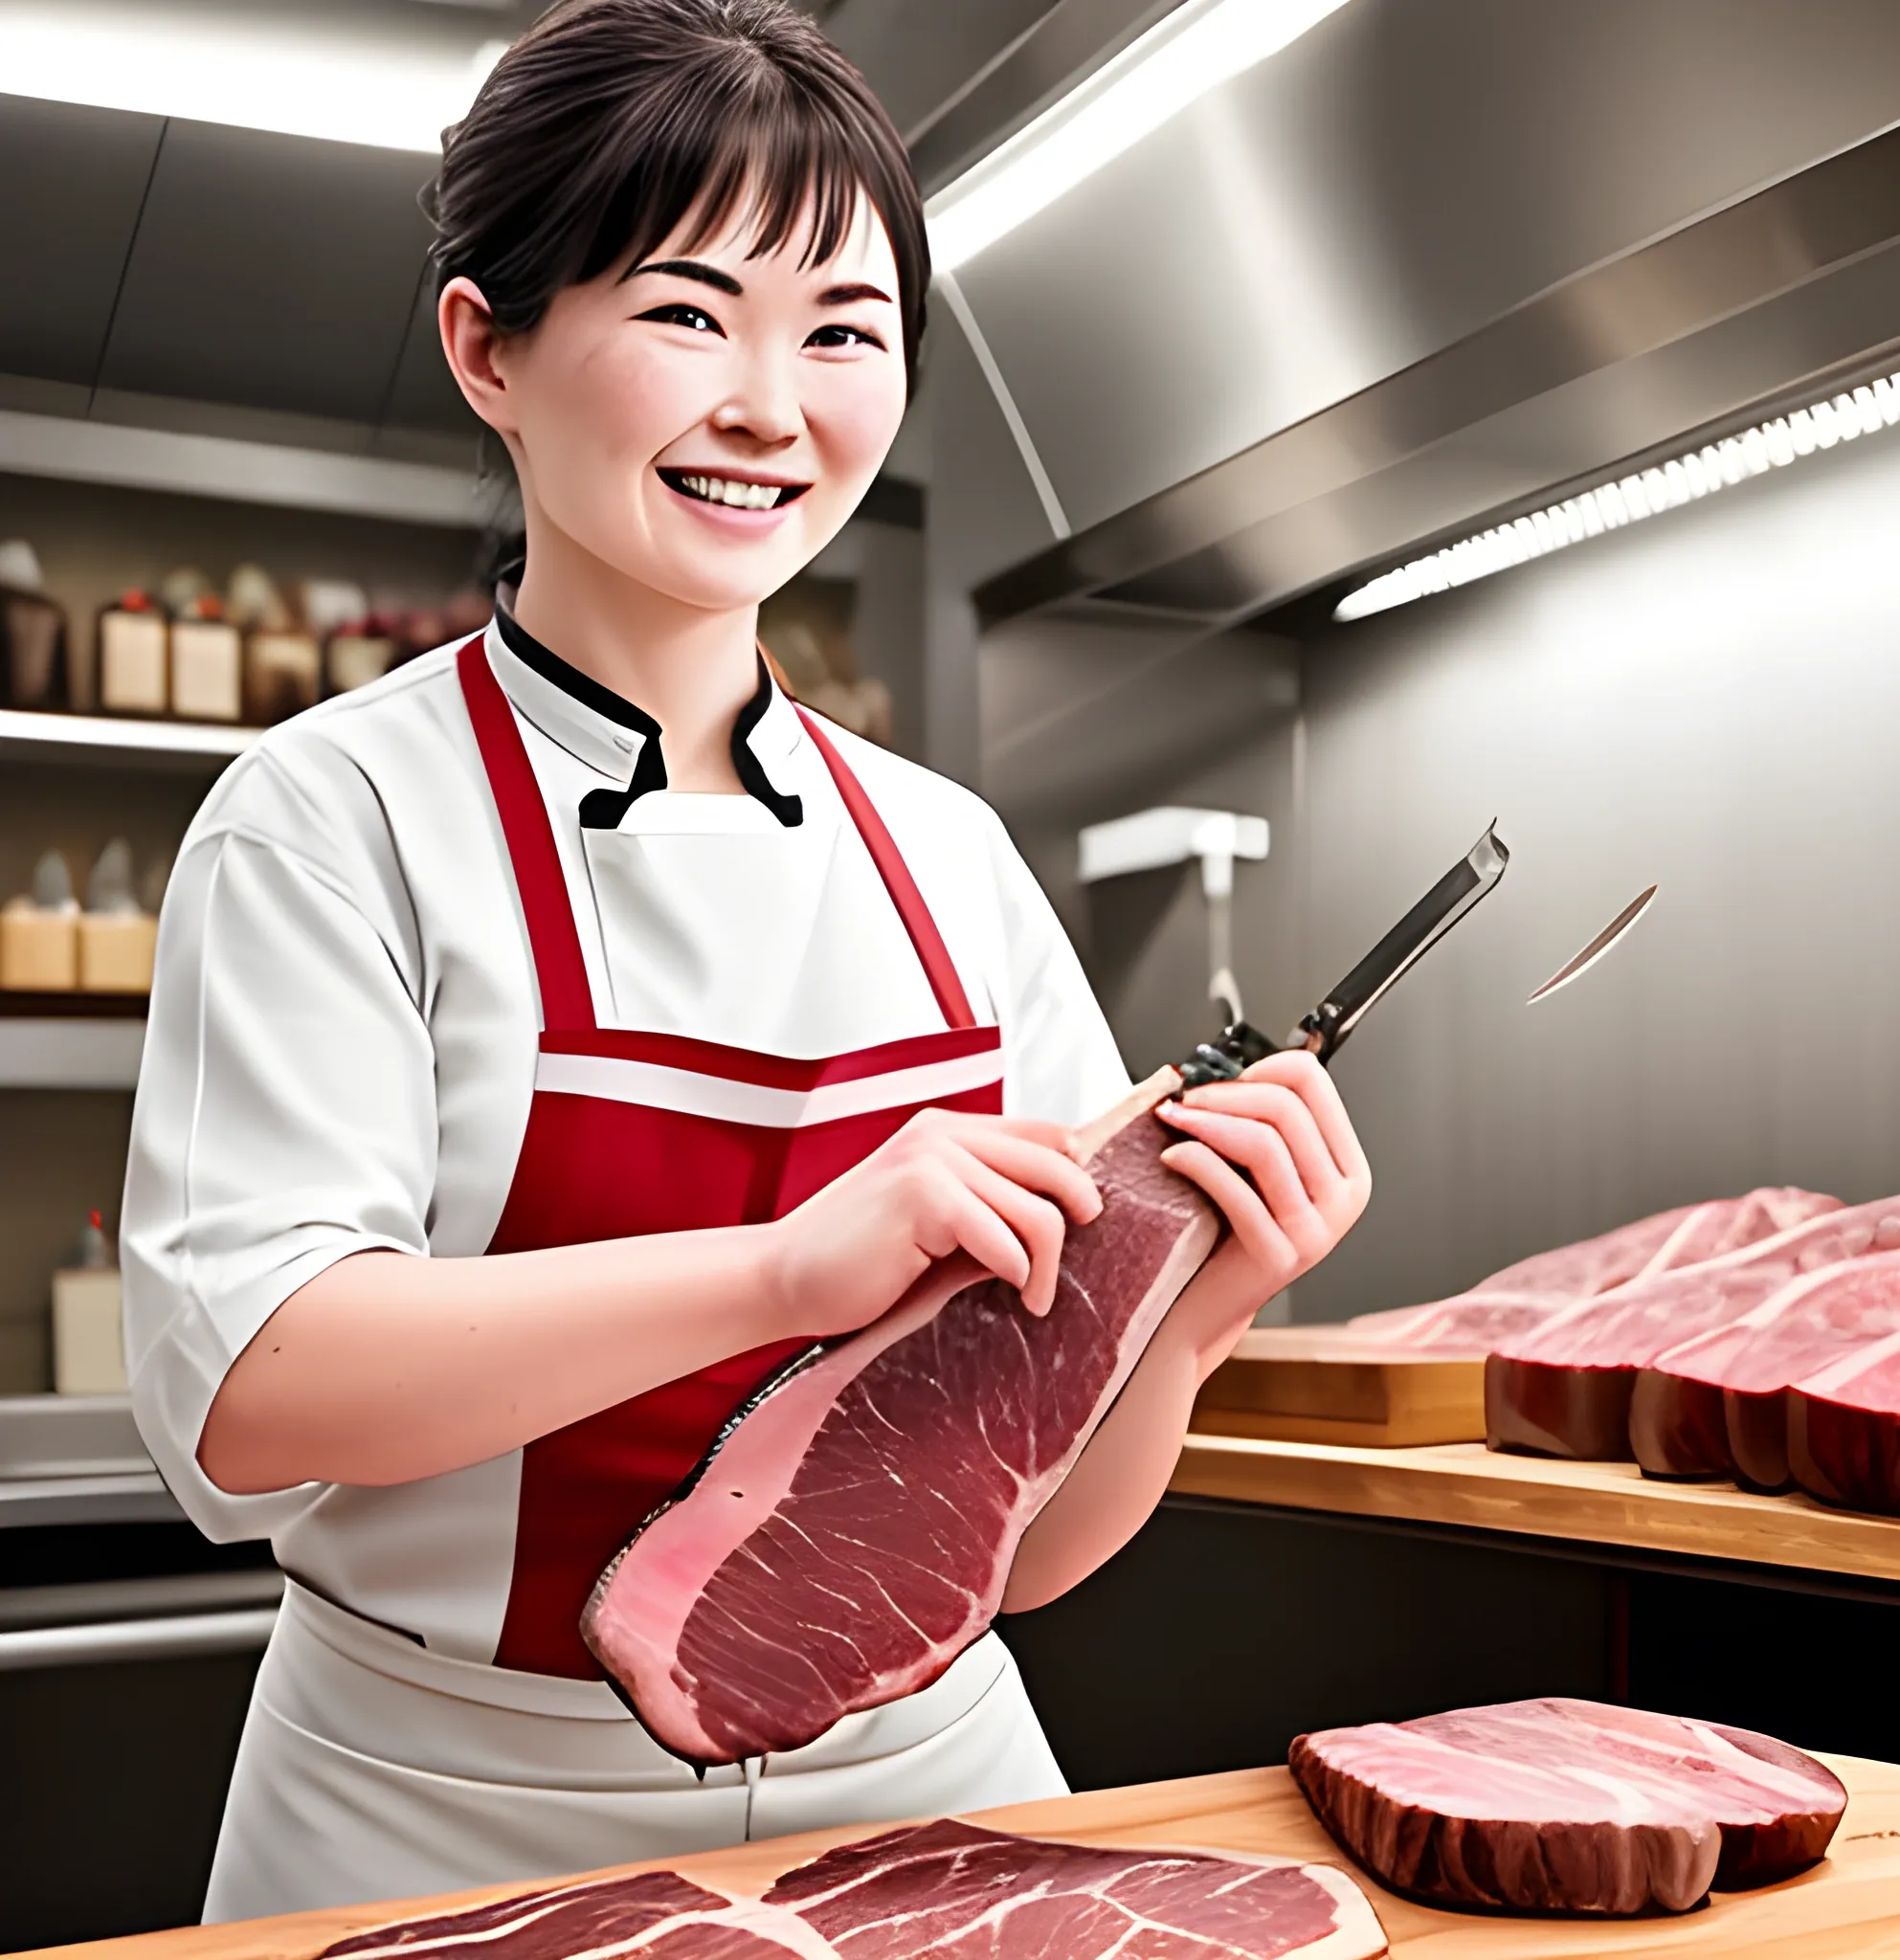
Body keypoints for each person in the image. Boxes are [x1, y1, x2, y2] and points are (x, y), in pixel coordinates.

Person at [122, 0, 1371, 1923]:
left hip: (933, 1798)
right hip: (449, 1814)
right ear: (490, 348)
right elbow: (256, 1385)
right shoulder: (330, 816)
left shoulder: (950, 858)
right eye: (688, 313)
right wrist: (790, 1268)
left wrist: (1195, 1316)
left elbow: (1027, 1553)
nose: (770, 406)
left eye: (843, 333)